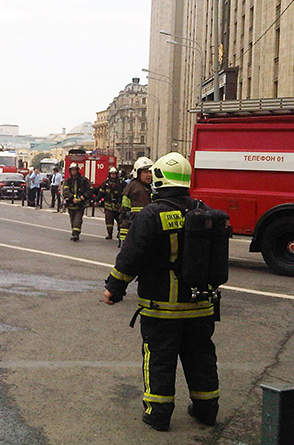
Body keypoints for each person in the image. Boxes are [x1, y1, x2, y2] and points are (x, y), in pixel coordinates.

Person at [102, 153, 220, 432]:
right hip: (202, 305)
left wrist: (113, 289)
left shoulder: (151, 215)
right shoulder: (204, 211)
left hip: (162, 307)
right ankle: (207, 410)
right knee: (201, 358)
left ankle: (158, 414)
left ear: (158, 180)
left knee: (159, 359)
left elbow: (131, 257)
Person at [119, 156, 154, 242]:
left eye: (150, 172)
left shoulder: (137, 185)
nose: (149, 175)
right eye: (145, 172)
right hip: (137, 231)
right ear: (138, 173)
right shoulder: (138, 189)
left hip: (131, 229)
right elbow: (142, 214)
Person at [61, 163, 93, 241]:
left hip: (80, 204)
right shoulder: (68, 181)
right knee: (72, 219)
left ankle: (76, 234)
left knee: (77, 219)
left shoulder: (83, 180)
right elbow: (65, 191)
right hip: (71, 203)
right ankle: (74, 231)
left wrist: (83, 197)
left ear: (77, 171)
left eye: (75, 170)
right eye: (72, 170)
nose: (73, 172)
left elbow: (90, 190)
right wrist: (71, 197)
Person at [98, 167, 125, 239]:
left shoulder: (121, 183)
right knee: (109, 221)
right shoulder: (106, 183)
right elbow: (101, 192)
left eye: (114, 174)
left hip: (118, 206)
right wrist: (97, 200)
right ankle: (109, 234)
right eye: (111, 174)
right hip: (108, 206)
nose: (113, 175)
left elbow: (124, 193)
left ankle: (119, 232)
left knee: (120, 220)